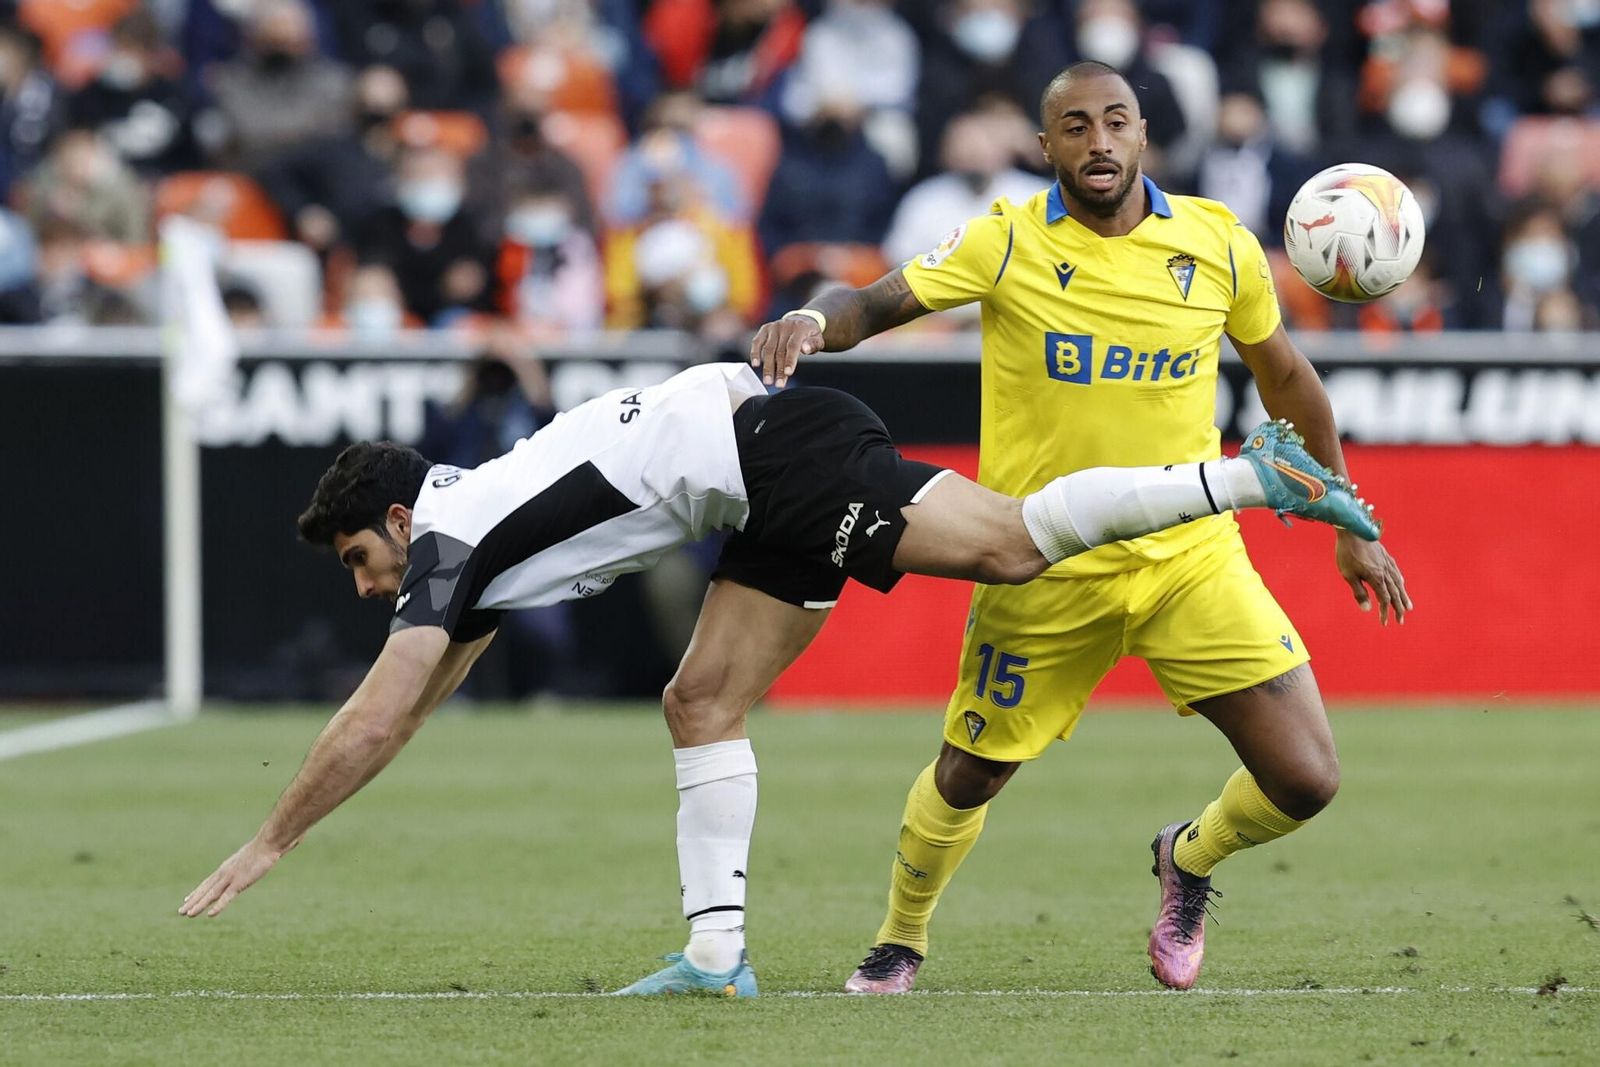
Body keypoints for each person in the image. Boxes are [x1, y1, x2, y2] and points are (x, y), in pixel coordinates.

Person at [178, 360, 1380, 1001]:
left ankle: (1245, 479)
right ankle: (714, 957)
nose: (365, 585)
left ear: (394, 516)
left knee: (1010, 543)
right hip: (748, 472)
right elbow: (413, 704)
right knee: (697, 699)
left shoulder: (446, 539)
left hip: (772, 454)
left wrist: (272, 838)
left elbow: (383, 705)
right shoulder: (468, 546)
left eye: (358, 561)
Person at [749, 60, 1412, 994]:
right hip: (1042, 559)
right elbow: (880, 301)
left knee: (1307, 779)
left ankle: (1188, 858)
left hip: (1190, 559)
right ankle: (901, 938)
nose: (1098, 143)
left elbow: (1288, 380)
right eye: (1075, 126)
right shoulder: (1006, 240)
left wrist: (1347, 516)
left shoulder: (1217, 242)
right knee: (967, 774)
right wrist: (814, 318)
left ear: (1144, 135)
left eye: (1115, 123)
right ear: (1046, 144)